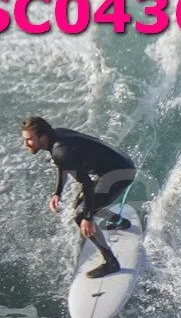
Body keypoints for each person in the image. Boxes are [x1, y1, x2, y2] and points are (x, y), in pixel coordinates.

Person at [21, 116, 137, 278]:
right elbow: (63, 165)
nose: (25, 144)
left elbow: (86, 183)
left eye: (29, 140)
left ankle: (110, 262)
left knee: (81, 214)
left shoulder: (60, 150)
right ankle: (119, 221)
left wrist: (87, 217)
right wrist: (57, 192)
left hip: (119, 174)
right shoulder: (57, 136)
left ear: (42, 136)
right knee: (81, 203)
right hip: (119, 164)